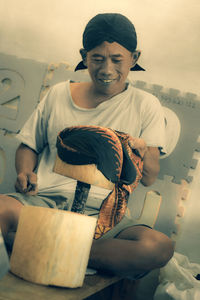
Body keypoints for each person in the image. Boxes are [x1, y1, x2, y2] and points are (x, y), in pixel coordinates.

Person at [0, 13, 174, 279]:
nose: (106, 69)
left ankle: (42, 243)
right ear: (84, 55)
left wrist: (143, 151)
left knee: (158, 248)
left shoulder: (145, 104)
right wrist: (25, 172)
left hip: (104, 217)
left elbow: (149, 177)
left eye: (117, 59)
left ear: (134, 58)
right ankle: (59, 245)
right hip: (44, 204)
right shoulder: (58, 93)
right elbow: (28, 145)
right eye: (97, 58)